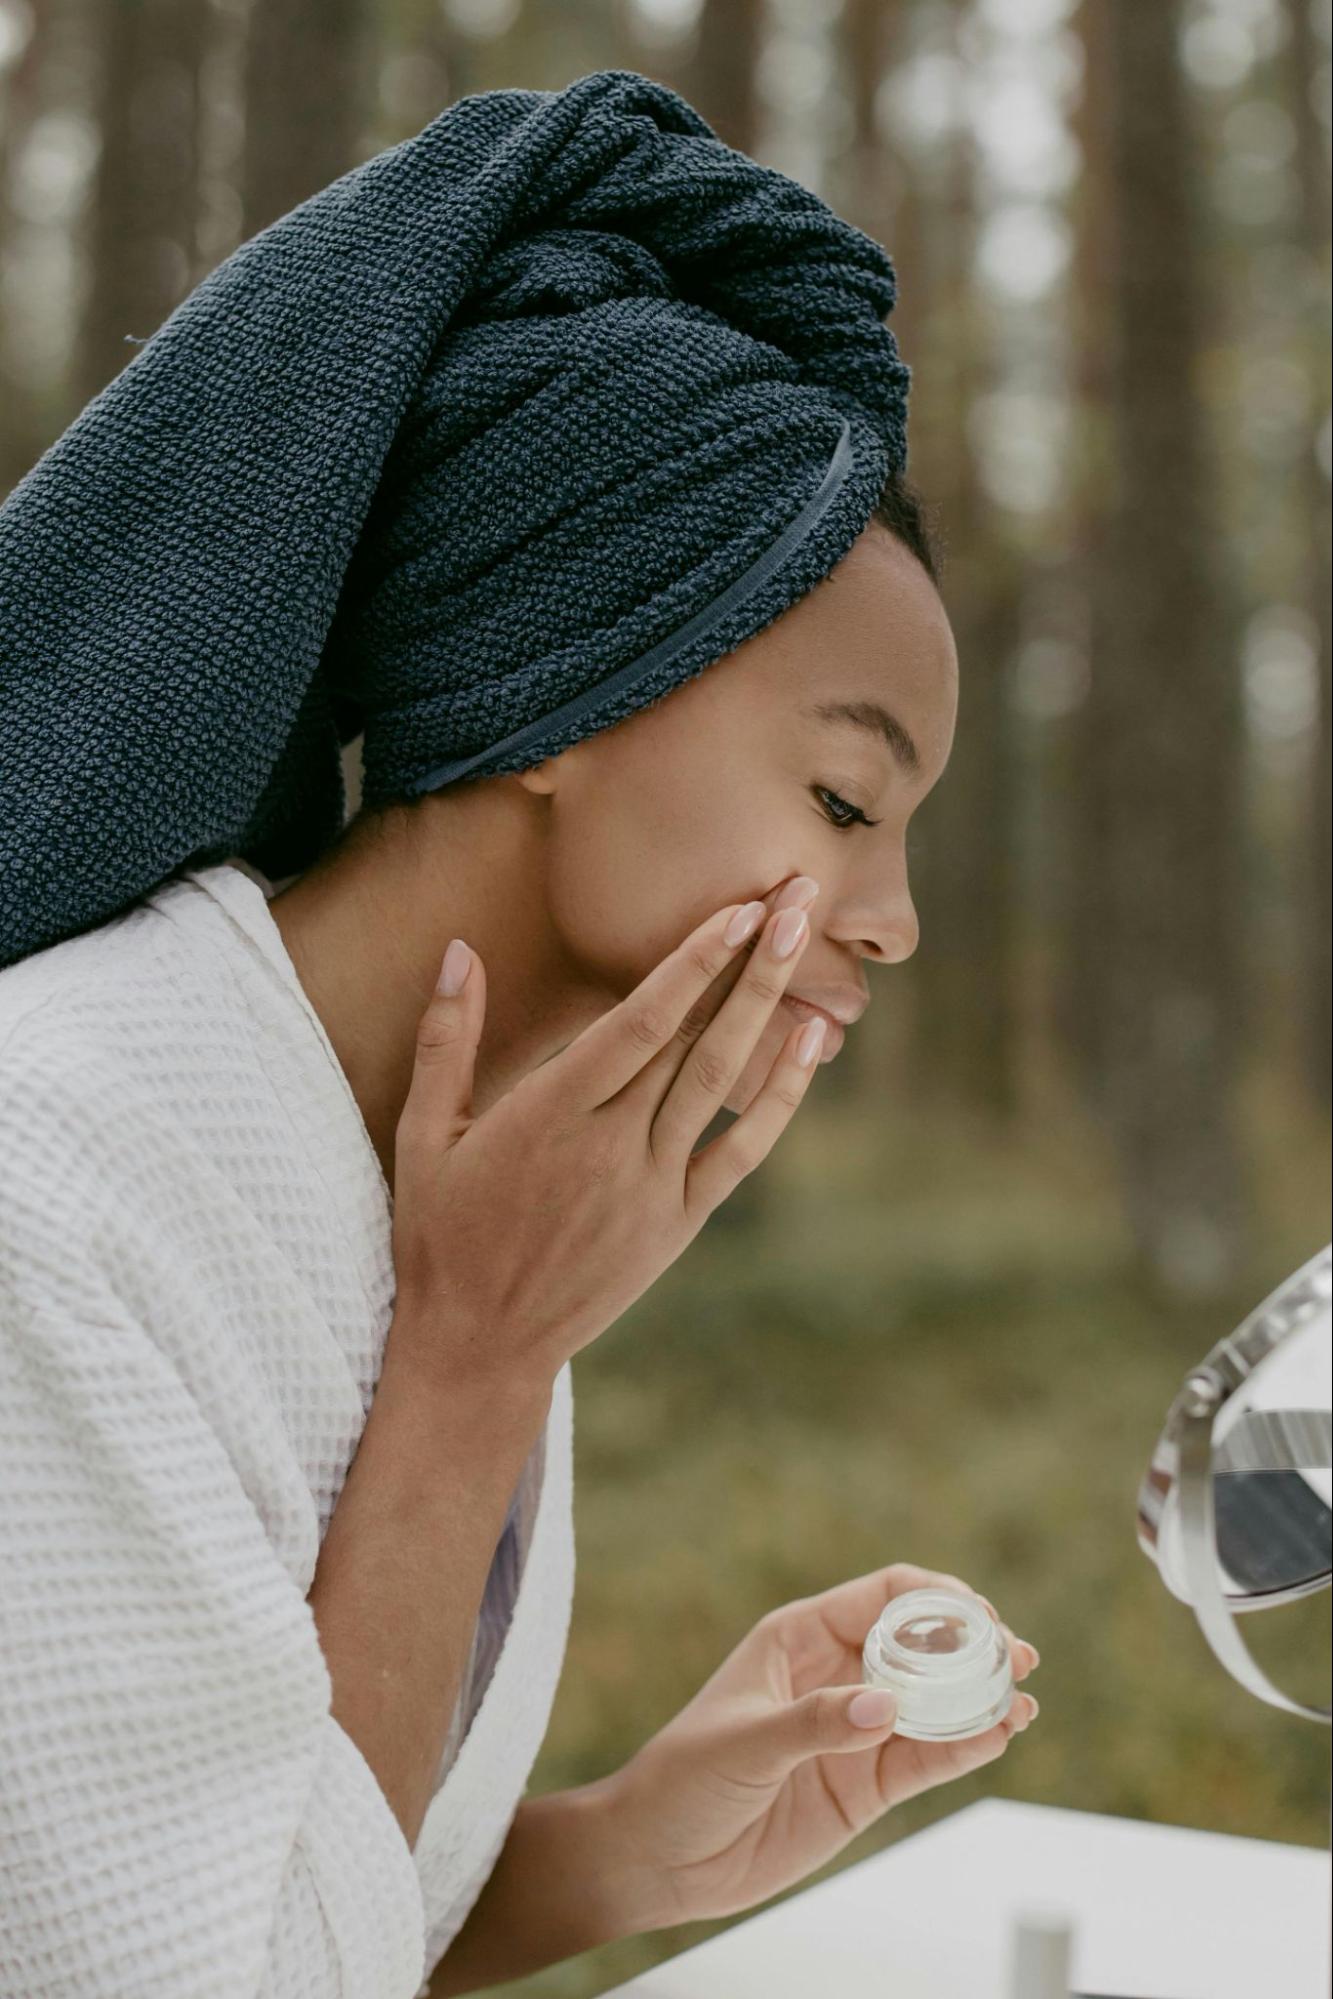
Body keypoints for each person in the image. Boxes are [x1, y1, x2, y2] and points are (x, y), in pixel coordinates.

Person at [0, 68, 1039, 1999]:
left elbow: (274, 1890)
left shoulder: (466, 1164)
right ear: (573, 687)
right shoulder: (49, 1176)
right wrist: (470, 1369)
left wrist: (623, 1849)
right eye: (840, 802)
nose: (892, 922)